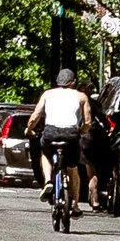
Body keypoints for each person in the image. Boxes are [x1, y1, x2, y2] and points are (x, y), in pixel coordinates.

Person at [25, 66, 91, 226]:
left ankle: (48, 181)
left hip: (50, 133)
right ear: (73, 82)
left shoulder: (48, 94)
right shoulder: (81, 96)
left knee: (45, 154)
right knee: (73, 169)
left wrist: (29, 129)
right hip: (71, 135)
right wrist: (81, 131)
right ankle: (75, 204)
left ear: (57, 82)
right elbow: (88, 122)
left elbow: (36, 115)